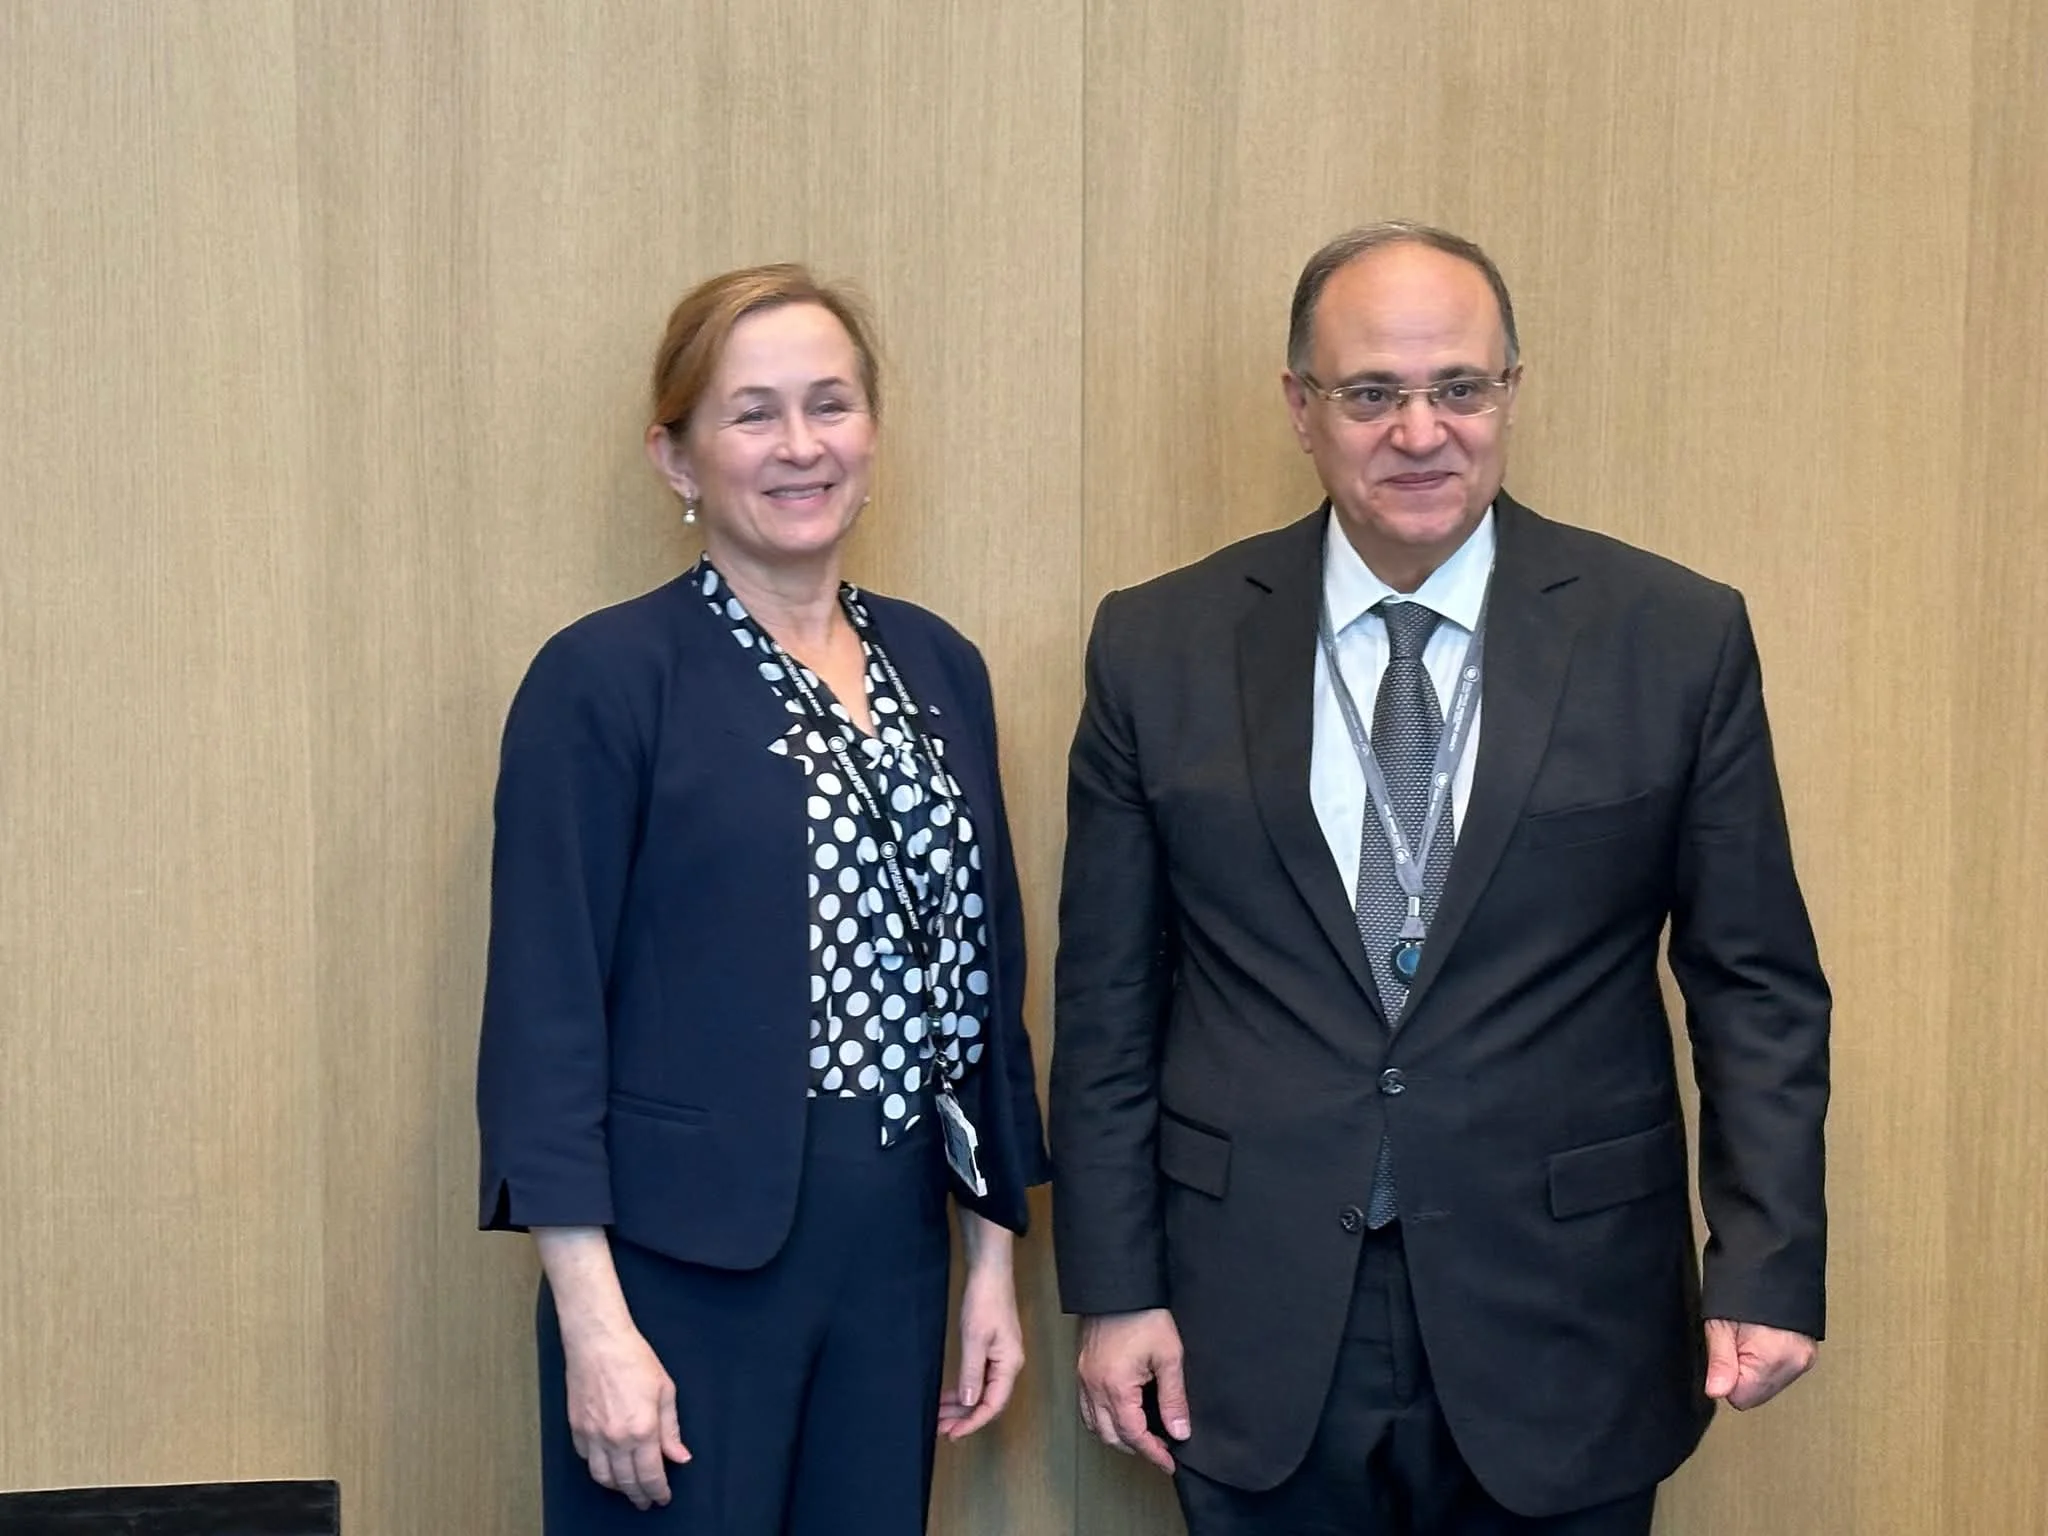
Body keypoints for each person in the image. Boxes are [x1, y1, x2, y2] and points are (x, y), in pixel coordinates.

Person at [1049, 222, 1830, 1534]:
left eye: (1458, 387)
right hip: (1254, 1313)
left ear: (1509, 392)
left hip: (1566, 1310)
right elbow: (1107, 1005)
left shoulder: (1670, 637)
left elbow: (1753, 986)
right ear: (1300, 406)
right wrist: (1116, 1287)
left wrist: (1766, 1262)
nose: (1421, 433)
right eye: (1372, 394)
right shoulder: (1158, 644)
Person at [476, 264, 1050, 1535]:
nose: (800, 446)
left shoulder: (939, 665)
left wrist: (989, 1258)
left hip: (893, 1250)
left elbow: (982, 980)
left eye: (828, 405)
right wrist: (593, 1325)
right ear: (675, 458)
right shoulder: (604, 678)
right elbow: (544, 1020)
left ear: (870, 433)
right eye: (752, 414)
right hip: (679, 1269)